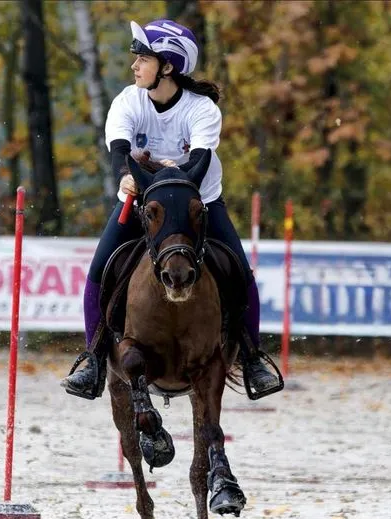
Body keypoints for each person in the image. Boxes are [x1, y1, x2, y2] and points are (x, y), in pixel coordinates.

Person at [62, 19, 282, 400]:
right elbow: (118, 152)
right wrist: (127, 177)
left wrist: (166, 173)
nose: (134, 65)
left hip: (199, 203)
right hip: (142, 202)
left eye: (143, 59)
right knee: (99, 269)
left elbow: (198, 164)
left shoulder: (202, 110)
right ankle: (93, 359)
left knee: (240, 273)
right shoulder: (127, 101)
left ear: (167, 66)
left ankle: (252, 357)